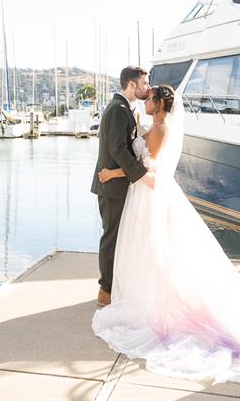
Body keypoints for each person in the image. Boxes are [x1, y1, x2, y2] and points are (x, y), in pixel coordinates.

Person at [92, 84, 240, 385]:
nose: (146, 100)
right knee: (149, 255)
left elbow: (152, 175)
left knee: (154, 255)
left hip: (150, 199)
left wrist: (114, 173)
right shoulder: (156, 127)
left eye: (150, 98)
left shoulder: (162, 130)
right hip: (143, 198)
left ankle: (156, 306)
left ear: (160, 104)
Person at [91, 66, 155, 307]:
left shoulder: (125, 108)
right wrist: (140, 175)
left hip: (117, 182)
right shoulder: (118, 110)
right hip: (111, 186)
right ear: (132, 85)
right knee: (112, 238)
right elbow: (118, 149)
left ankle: (114, 286)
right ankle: (105, 291)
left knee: (119, 236)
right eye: (145, 84)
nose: (147, 88)